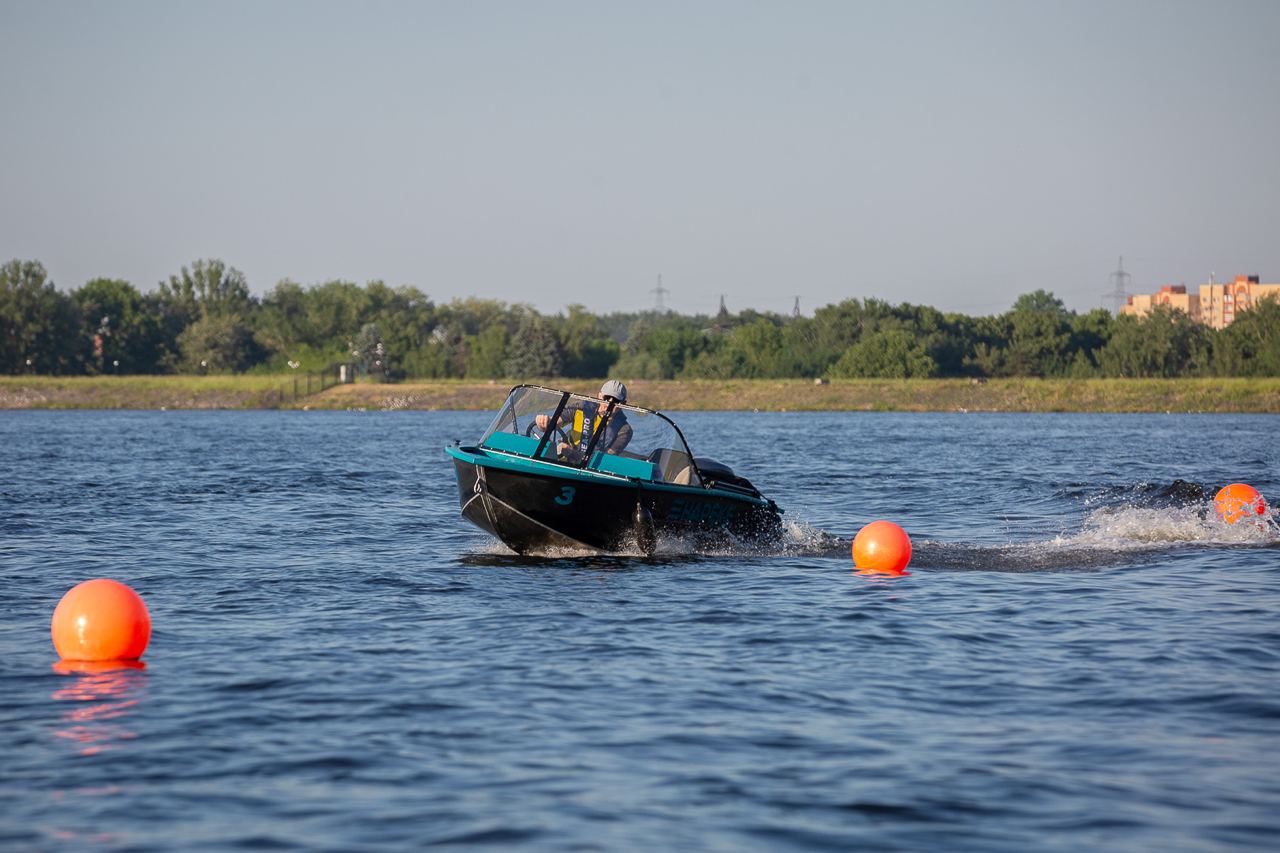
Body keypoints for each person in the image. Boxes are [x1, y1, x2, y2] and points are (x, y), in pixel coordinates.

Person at [535, 380, 633, 462]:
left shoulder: (624, 430)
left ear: (623, 404)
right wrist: (543, 423)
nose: (609, 403)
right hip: (562, 456)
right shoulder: (580, 407)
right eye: (606, 398)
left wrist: (573, 453)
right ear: (599, 396)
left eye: (616, 401)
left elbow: (605, 460)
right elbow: (555, 422)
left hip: (590, 469)